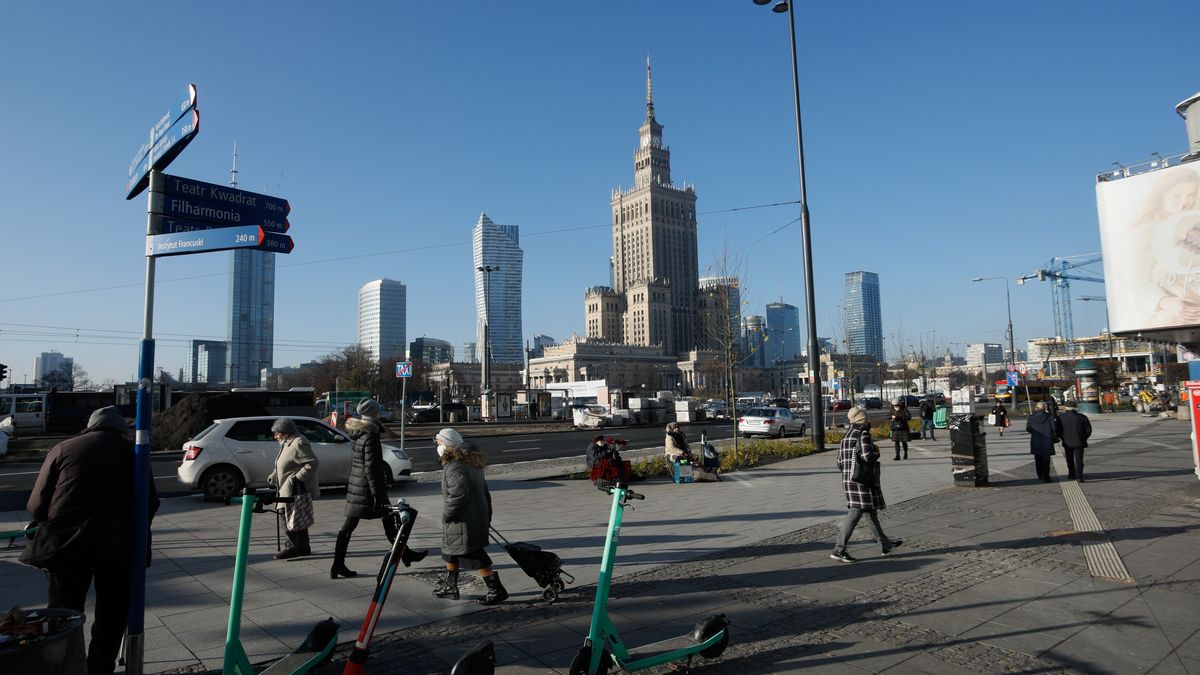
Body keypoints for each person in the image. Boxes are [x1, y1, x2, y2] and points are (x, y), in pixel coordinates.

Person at [25, 406, 160, 675]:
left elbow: (37, 504)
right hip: (118, 548)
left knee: (64, 613)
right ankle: (100, 668)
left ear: (90, 426)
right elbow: (150, 502)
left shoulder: (63, 449)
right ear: (121, 430)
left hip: (67, 545)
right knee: (111, 615)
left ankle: (66, 666)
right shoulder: (134, 455)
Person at [332, 398, 427, 578]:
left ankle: (338, 565)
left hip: (357, 485)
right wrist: (377, 493)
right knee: (388, 521)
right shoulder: (370, 435)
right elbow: (371, 467)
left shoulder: (358, 432)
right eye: (378, 411)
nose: (379, 413)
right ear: (374, 413)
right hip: (368, 488)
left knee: (350, 526)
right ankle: (406, 555)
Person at [431, 427, 508, 605]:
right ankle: (450, 586)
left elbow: (457, 496)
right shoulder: (469, 462)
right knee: (450, 552)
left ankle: (496, 589)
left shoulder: (455, 466)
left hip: (464, 519)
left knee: (473, 554)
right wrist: (487, 514)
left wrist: (447, 515)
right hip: (475, 515)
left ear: (447, 445)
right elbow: (485, 492)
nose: (438, 446)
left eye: (439, 442)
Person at [830, 407, 902, 563]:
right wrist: (876, 452)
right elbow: (868, 456)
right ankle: (839, 549)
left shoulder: (847, 436)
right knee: (856, 512)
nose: (868, 420)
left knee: (870, 513)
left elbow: (839, 463)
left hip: (849, 480)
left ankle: (886, 545)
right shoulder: (863, 433)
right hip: (861, 480)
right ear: (862, 419)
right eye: (866, 418)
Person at [267, 418, 318, 560]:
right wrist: (273, 475)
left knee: (286, 516)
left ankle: (292, 547)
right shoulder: (287, 443)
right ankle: (303, 547)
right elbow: (284, 463)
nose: (275, 436)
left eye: (277, 433)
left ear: (285, 432)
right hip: (286, 487)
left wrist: (296, 478)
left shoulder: (298, 443)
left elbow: (312, 464)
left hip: (293, 488)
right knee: (297, 516)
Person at [1025, 401, 1062, 483]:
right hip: (1047, 440)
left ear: (1037, 408)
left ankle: (1040, 475)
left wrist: (1034, 433)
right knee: (1046, 460)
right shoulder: (1049, 417)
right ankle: (1046, 476)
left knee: (1037, 459)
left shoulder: (1031, 417)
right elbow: (1054, 428)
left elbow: (1028, 428)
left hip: (1036, 440)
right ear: (1044, 408)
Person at [1058, 403, 1093, 482]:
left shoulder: (1061, 418)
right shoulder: (1082, 417)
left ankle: (1071, 474)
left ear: (1066, 408)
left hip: (1067, 442)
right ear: (1075, 408)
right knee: (1079, 459)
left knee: (1069, 458)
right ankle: (1079, 476)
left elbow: (1058, 431)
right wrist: (1084, 438)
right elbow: (1088, 430)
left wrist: (1063, 438)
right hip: (1079, 441)